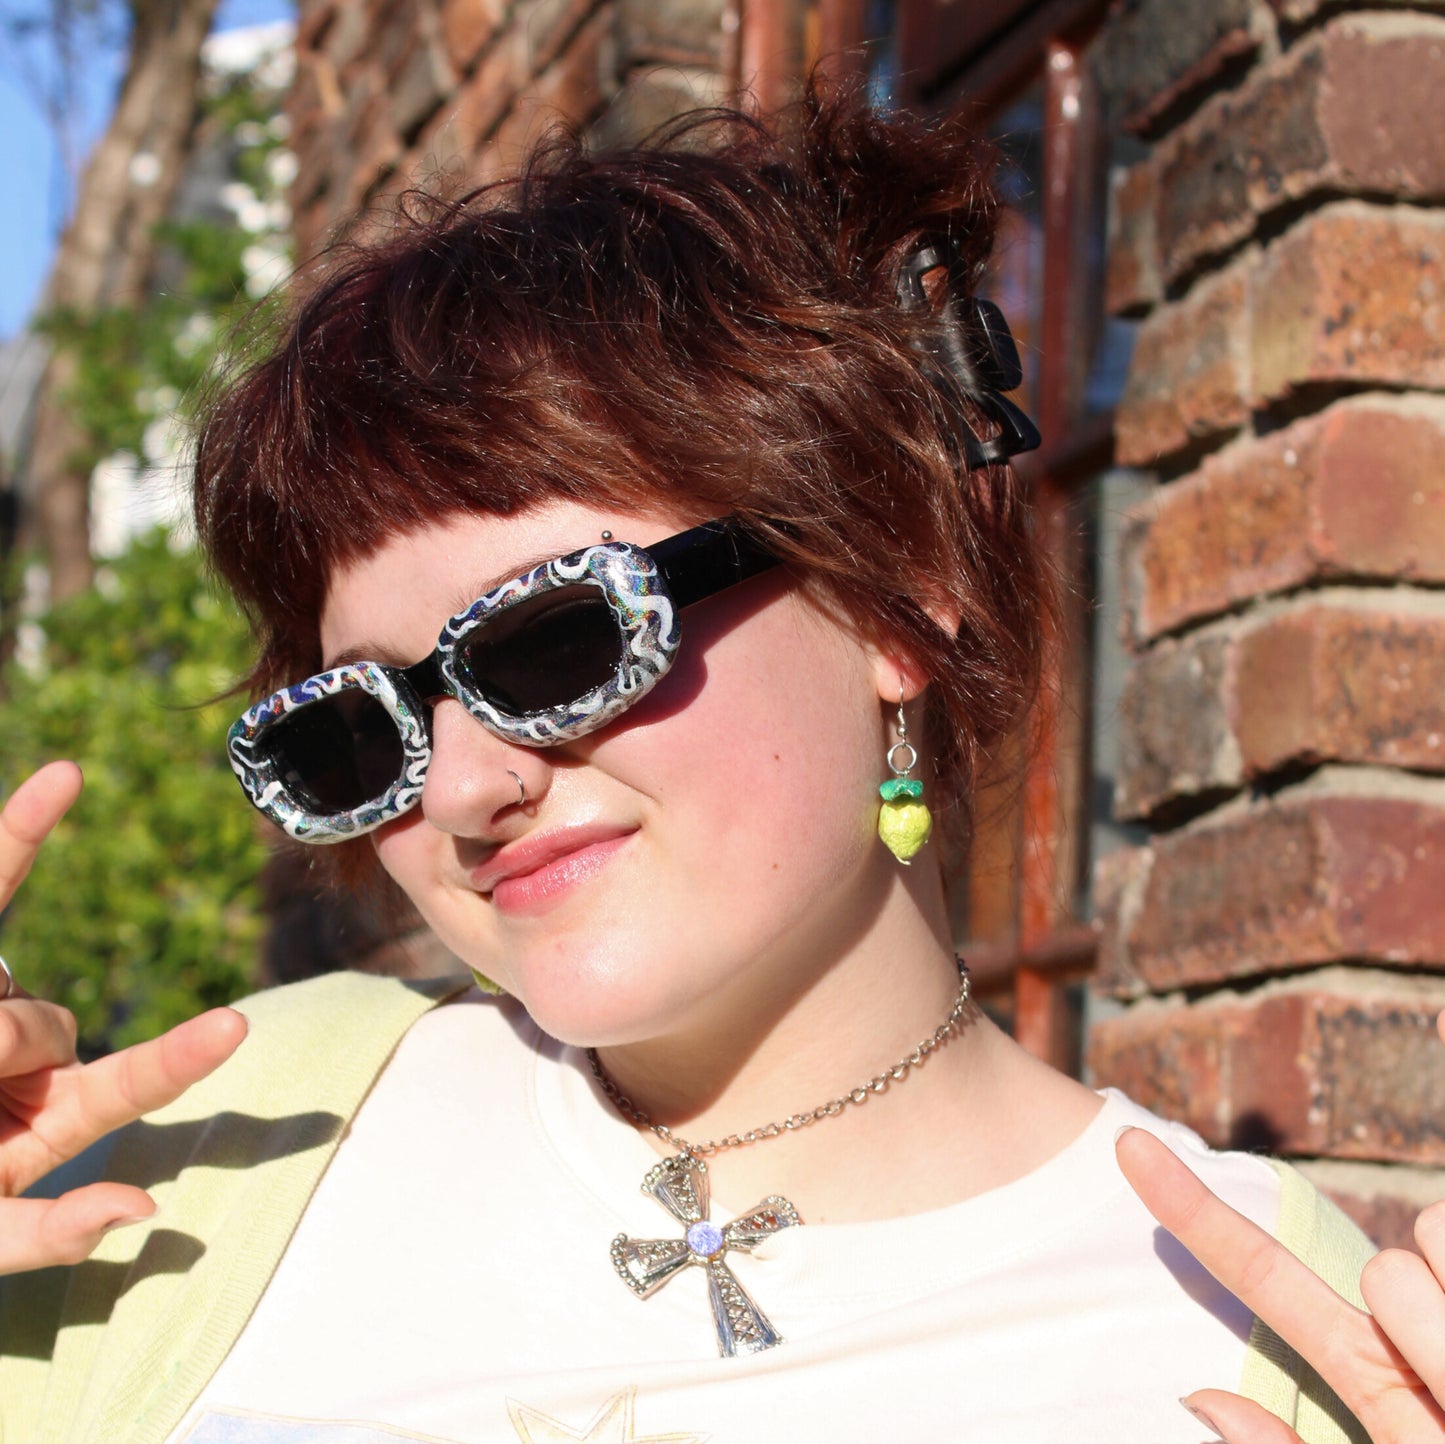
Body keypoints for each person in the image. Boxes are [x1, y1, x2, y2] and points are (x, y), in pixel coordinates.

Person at [0, 88, 1440, 1444]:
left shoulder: (1251, 1310)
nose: (459, 791)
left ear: (891, 590)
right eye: (357, 728)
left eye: (555, 641)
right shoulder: (236, 1136)